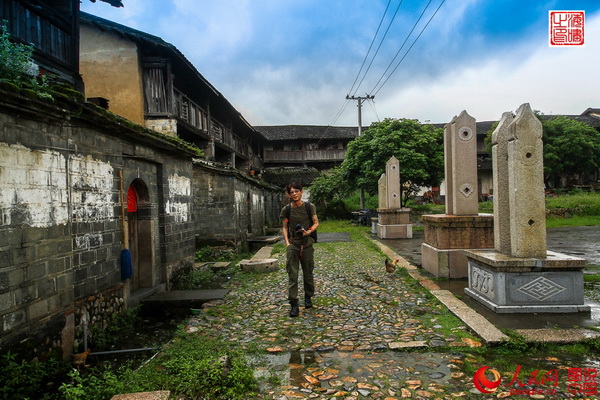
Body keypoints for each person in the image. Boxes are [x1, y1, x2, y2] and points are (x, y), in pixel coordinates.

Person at [280, 182, 319, 317]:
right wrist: (287, 243)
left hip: (307, 244)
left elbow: (316, 222)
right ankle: (294, 304)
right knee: (293, 275)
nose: (294, 194)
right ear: (289, 194)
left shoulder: (309, 207)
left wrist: (308, 232)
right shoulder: (287, 210)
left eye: (297, 191)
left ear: (301, 192)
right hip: (293, 245)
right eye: (292, 192)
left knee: (308, 273)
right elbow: (284, 227)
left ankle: (308, 297)